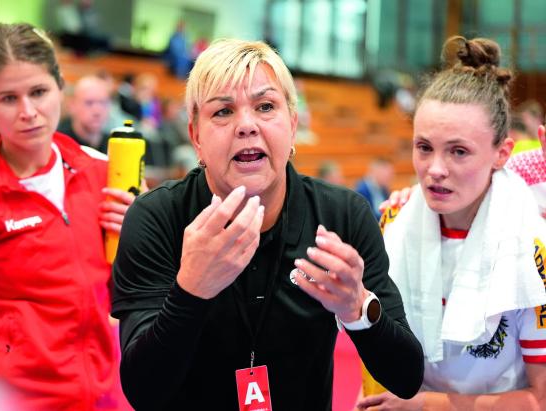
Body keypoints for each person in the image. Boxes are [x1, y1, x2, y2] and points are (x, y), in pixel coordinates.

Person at [112, 38, 424, 411]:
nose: (246, 125)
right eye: (223, 112)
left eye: (265, 106)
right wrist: (191, 290)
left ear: (292, 126)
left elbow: (406, 378)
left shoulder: (342, 216)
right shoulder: (156, 218)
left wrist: (358, 308)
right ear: (195, 136)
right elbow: (143, 392)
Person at [359, 36, 546, 410]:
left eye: (459, 151)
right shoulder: (393, 223)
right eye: (424, 147)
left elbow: (540, 400)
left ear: (502, 153)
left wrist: (427, 405)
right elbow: (377, 367)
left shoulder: (532, 247)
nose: (435, 171)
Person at [0, 23, 135, 411]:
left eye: (39, 92)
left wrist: (132, 242)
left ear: (60, 87)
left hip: (104, 395)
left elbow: (128, 293)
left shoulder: (102, 172)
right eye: (9, 98)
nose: (28, 112)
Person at [58, 74, 112, 153]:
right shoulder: (59, 144)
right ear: (72, 105)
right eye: (89, 103)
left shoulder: (113, 145)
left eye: (103, 103)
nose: (97, 111)